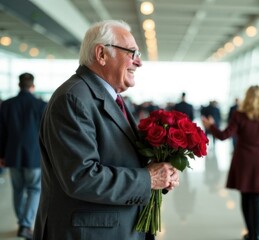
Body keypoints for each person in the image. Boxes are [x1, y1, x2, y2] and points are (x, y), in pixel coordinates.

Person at [33, 20, 180, 240]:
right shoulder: (73, 99)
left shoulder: (113, 98)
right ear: (101, 54)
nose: (138, 62)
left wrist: (160, 173)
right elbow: (81, 177)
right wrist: (147, 179)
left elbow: (119, 159)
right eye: (132, 52)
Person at [202, 85, 259, 240]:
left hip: (244, 162)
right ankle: (257, 235)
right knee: (258, 199)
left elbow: (224, 135)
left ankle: (250, 233)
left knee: (246, 197)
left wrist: (210, 126)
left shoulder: (239, 115)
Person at [0, 72, 47, 240]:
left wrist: (2, 154)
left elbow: (2, 132)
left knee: (18, 190)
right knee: (35, 190)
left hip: (12, 155)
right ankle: (26, 225)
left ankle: (22, 222)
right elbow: (45, 133)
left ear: (19, 85)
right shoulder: (40, 105)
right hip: (34, 156)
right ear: (32, 86)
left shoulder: (7, 105)